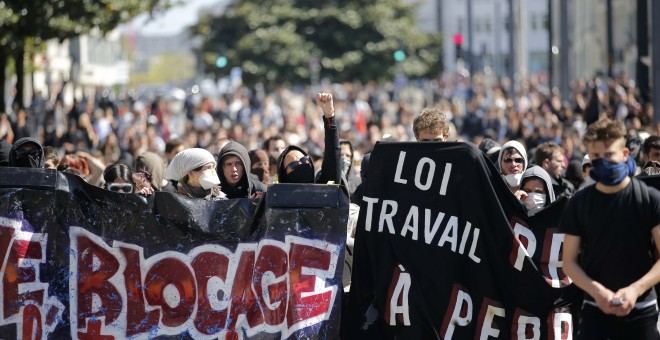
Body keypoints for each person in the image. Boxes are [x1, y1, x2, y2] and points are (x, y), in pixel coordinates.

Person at [560, 118, 660, 339]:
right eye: (596, 157)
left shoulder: (648, 198)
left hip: (641, 310)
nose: (602, 162)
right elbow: (568, 262)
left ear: (625, 154)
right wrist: (598, 292)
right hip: (596, 309)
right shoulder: (579, 203)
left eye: (609, 155)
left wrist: (635, 290)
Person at [276, 93, 340, 187]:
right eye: (293, 165)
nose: (301, 164)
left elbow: (333, 155)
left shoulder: (323, 187)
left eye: (304, 159)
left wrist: (329, 116)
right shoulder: (278, 199)